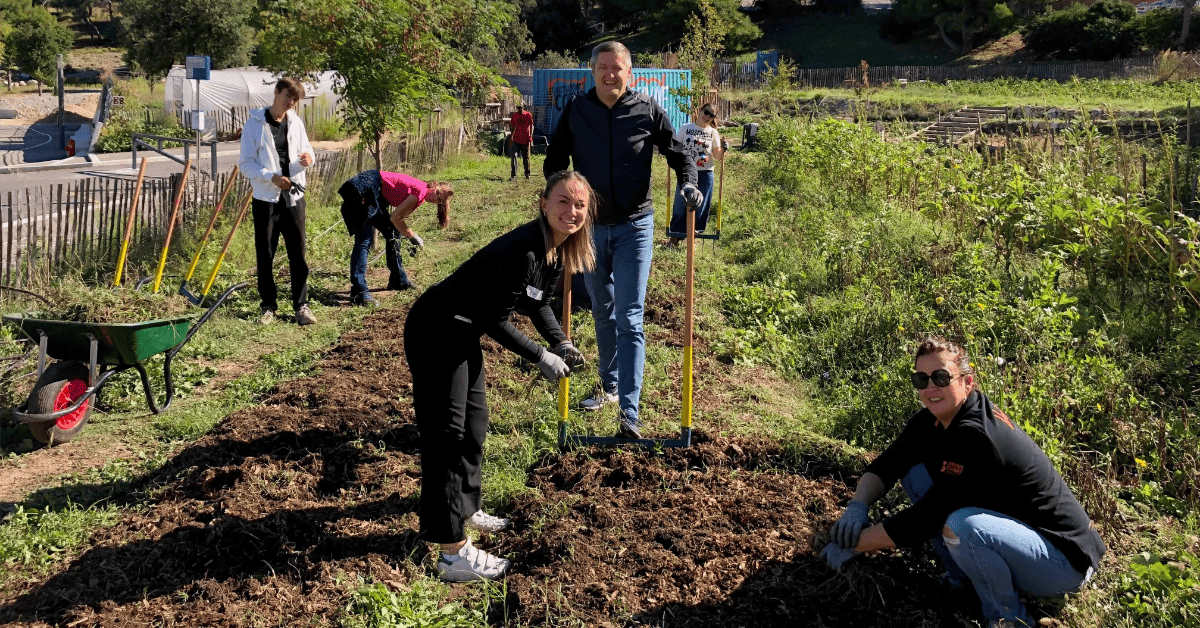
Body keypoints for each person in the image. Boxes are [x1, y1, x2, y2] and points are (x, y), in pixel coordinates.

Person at [819, 337, 1107, 628]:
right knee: (914, 471)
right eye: (922, 379)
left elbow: (927, 517)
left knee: (963, 527)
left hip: (1062, 562)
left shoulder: (976, 436)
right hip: (1021, 539)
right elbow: (887, 464)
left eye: (941, 377)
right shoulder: (934, 419)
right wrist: (857, 506)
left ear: (967, 382)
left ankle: (1008, 618)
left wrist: (856, 544)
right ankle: (962, 578)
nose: (931, 387)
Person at [404, 171, 595, 582]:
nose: (572, 211)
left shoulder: (554, 251)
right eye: (563, 201)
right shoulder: (525, 250)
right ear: (543, 203)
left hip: (462, 331)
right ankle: (452, 553)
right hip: (437, 329)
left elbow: (537, 303)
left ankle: (467, 507)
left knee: (475, 424)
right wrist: (540, 356)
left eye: (579, 204)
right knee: (447, 438)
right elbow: (495, 318)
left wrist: (561, 343)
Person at [543, 40, 700, 439]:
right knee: (601, 311)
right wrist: (557, 197)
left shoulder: (645, 109)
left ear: (630, 73)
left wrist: (689, 182)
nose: (610, 74)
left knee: (630, 318)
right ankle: (609, 386)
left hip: (635, 225)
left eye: (618, 68)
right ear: (592, 71)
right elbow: (555, 158)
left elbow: (678, 152)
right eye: (603, 68)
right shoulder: (577, 111)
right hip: (589, 229)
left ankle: (629, 413)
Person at [239, 77, 317, 326]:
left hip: (294, 195)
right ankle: (268, 307)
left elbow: (308, 150)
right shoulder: (254, 125)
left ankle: (301, 306)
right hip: (266, 198)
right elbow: (246, 164)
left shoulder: (296, 122)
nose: (291, 103)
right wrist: (270, 177)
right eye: (287, 97)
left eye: (295, 100)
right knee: (266, 253)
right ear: (276, 92)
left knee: (298, 252)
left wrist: (308, 158)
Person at [337, 170, 453, 306]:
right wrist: (413, 236)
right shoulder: (420, 191)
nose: (435, 198)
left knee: (392, 232)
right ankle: (358, 292)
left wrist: (410, 237)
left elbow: (397, 222)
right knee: (364, 240)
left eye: (439, 200)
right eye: (437, 192)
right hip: (364, 188)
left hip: (374, 193)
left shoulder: (420, 198)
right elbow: (395, 218)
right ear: (434, 185)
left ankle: (398, 280)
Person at [666, 103, 727, 247]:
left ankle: (693, 237)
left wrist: (723, 149)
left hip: (705, 173)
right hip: (686, 173)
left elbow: (717, 156)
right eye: (706, 112)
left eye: (712, 115)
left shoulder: (713, 133)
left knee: (701, 205)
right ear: (700, 111)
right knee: (681, 204)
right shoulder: (686, 128)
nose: (708, 117)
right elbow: (676, 146)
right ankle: (675, 238)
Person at [508, 103, 534, 181]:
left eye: (521, 108)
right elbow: (512, 127)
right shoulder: (515, 116)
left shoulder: (528, 115)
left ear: (523, 108)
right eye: (518, 108)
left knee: (526, 157)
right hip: (516, 139)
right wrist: (511, 138)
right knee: (514, 156)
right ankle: (513, 175)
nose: (519, 109)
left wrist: (530, 136)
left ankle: (527, 174)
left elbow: (531, 125)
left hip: (525, 139)